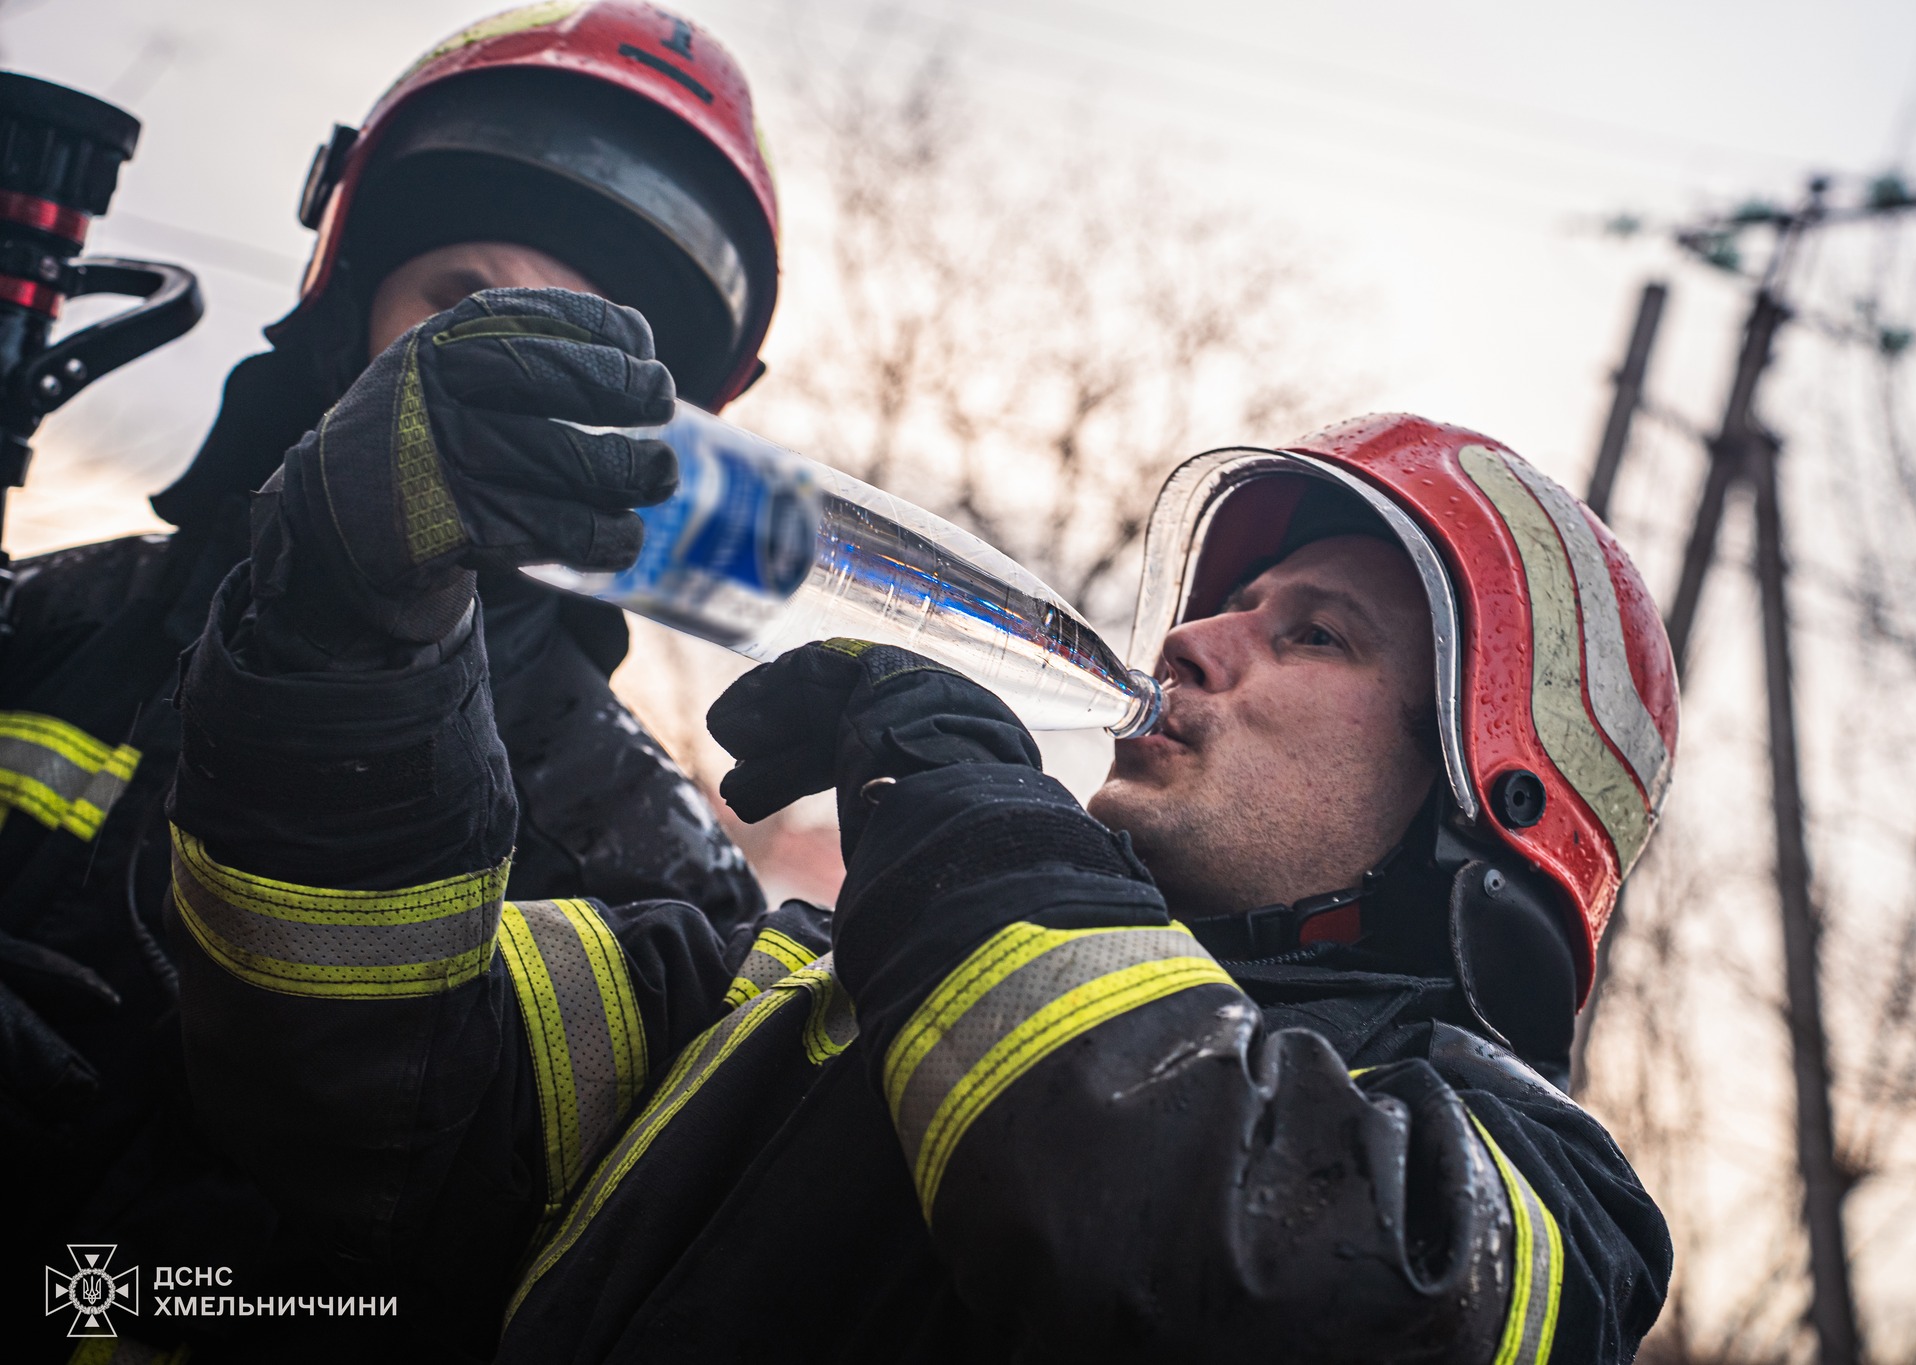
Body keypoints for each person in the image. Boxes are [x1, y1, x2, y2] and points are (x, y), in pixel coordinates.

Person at [164, 299, 1680, 1364]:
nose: (1199, 642)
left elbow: (1247, 1276)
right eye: (1222, 604)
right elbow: (360, 1068)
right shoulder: (775, 1001)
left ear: (1477, 803)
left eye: (1318, 634)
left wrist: (970, 818)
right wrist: (345, 623)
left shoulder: (1535, 1204)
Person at [2, 5, 779, 1357]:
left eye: (572, 353)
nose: (493, 384)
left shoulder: (663, 875)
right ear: (341, 296)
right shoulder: (55, 618)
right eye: (456, 310)